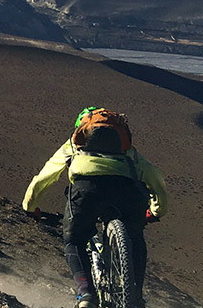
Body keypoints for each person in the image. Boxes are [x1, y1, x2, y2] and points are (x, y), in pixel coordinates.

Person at [22, 107, 169, 308]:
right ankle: (135, 296)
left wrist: (30, 206)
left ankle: (86, 295)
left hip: (86, 192)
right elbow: (154, 177)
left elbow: (45, 177)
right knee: (135, 238)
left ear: (82, 129)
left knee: (74, 240)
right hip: (126, 193)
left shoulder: (74, 145)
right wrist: (156, 210)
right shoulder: (126, 149)